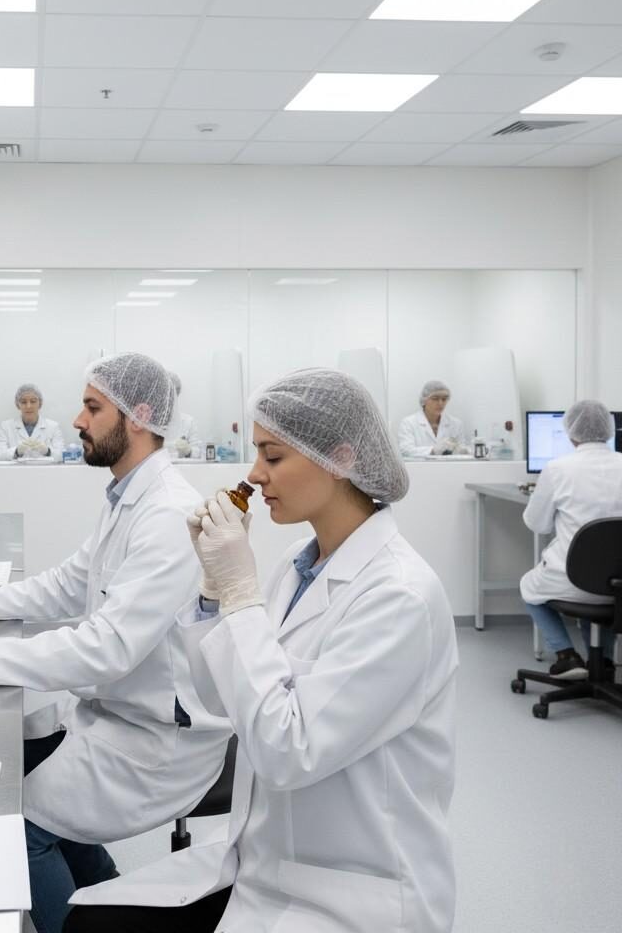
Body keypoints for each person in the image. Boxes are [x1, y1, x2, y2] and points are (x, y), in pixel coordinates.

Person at [67, 368, 459, 933]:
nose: (254, 475)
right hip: (267, 864)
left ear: (340, 457)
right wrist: (210, 597)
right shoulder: (297, 566)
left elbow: (287, 750)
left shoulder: (399, 597)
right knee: (89, 921)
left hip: (356, 892)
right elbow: (220, 698)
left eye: (272, 457)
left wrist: (241, 598)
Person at [0, 352, 232, 933]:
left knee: (19, 826)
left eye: (93, 408)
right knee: (41, 796)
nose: (77, 420)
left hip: (159, 743)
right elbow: (69, 583)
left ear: (139, 418)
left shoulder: (166, 515)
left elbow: (106, 648)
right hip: (117, 717)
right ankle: (101, 908)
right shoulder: (126, 498)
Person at [520, 399, 622, 679]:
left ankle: (566, 655)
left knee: (528, 588)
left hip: (572, 579)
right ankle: (605, 664)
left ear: (570, 431)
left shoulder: (557, 469)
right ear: (610, 429)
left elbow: (537, 524)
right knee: (605, 585)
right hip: (618, 584)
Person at [0, 383, 65, 461]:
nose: (28, 406)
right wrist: (16, 452)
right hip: (15, 472)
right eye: (23, 402)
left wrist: (48, 451)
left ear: (40, 404)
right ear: (17, 405)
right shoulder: (6, 426)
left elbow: (62, 455)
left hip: (44, 472)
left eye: (33, 401)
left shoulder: (53, 426)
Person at [398, 379, 467, 458]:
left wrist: (465, 450)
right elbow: (405, 451)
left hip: (449, 469)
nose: (440, 403)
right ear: (424, 400)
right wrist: (433, 450)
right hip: (420, 469)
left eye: (444, 399)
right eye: (435, 398)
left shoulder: (456, 424)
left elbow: (462, 452)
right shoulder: (408, 423)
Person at [168, 371, 202, 459]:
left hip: (182, 470)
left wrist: (189, 450)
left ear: (177, 394)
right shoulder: (150, 421)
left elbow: (198, 452)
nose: (168, 398)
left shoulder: (188, 421)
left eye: (172, 394)